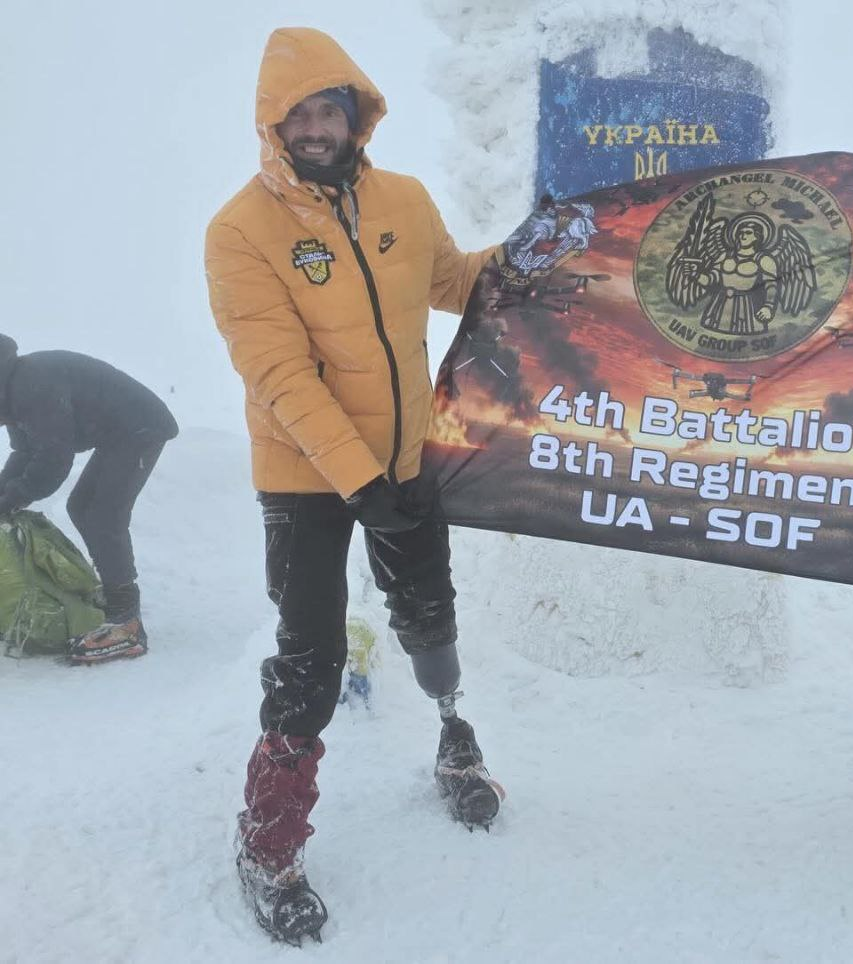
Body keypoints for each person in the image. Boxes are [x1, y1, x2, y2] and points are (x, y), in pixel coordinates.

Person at [204, 27, 502, 945]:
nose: (314, 127)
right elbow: (280, 375)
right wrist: (359, 481)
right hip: (304, 473)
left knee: (429, 612)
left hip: (406, 460)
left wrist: (540, 250)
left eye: (327, 110)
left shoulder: (403, 200)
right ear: (272, 123)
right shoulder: (240, 231)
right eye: (296, 113)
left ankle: (453, 735)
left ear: (354, 115)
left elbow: (456, 283)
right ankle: (269, 843)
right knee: (311, 656)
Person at [0, 334, 177, 663]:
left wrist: (11, 500)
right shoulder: (11, 386)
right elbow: (25, 452)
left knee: (102, 515)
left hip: (140, 426)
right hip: (119, 432)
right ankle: (115, 596)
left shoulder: (29, 387)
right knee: (81, 507)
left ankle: (127, 622)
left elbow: (53, 460)